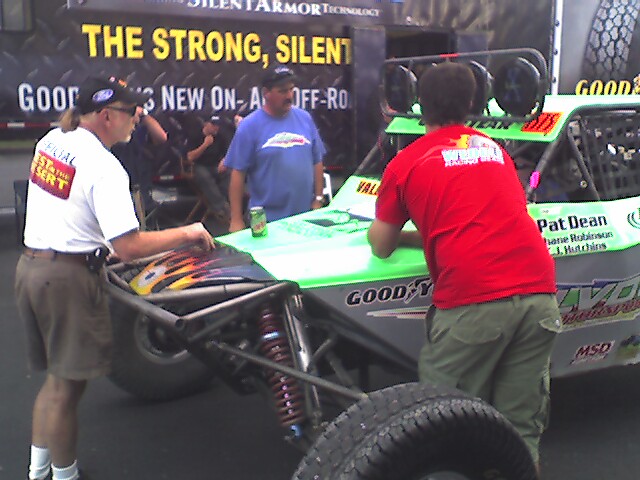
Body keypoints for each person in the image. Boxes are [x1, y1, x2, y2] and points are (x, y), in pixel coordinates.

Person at [15, 75, 215, 480]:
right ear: (106, 115)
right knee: (68, 388)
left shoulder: (53, 141)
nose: (137, 118)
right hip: (66, 281)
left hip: (33, 268)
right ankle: (66, 475)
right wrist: (188, 232)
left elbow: (66, 206)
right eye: (131, 112)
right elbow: (130, 247)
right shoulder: (104, 167)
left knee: (55, 382)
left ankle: (37, 472)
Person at [366, 62, 560, 470]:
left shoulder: (406, 162)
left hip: (474, 299)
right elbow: (481, 221)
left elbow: (381, 246)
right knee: (519, 430)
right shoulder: (495, 151)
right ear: (472, 103)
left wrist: (395, 232)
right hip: (538, 292)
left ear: (419, 104)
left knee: (441, 427)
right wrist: (430, 234)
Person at [224, 64, 327, 232]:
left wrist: (318, 199)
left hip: (304, 218)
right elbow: (237, 173)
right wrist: (236, 219)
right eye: (282, 91)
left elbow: (317, 161)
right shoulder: (249, 126)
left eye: (291, 89)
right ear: (266, 93)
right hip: (265, 221)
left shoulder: (305, 118)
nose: (289, 96)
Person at [111, 107, 168, 215]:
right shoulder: (110, 128)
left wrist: (143, 115)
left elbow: (162, 137)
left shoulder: (139, 130)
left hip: (141, 191)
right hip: (119, 193)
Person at [184, 114, 231, 224]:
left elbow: (228, 152)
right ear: (206, 124)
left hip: (215, 165)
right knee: (204, 176)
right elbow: (190, 157)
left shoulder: (220, 136)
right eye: (213, 125)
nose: (216, 128)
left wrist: (224, 161)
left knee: (229, 173)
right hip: (200, 166)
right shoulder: (195, 136)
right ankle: (222, 207)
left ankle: (221, 203)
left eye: (218, 125)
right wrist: (205, 145)